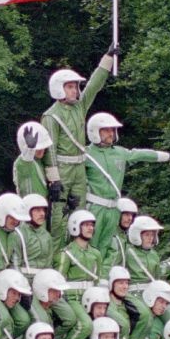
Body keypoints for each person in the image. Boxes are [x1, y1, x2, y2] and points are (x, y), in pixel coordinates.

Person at [82, 113, 170, 256]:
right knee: (90, 244)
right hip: (95, 207)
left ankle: (101, 277)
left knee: (106, 246)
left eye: (112, 130)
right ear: (94, 132)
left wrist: (166, 156)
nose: (111, 134)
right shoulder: (86, 154)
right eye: (106, 130)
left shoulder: (120, 152)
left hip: (114, 208)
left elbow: (140, 154)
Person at [40, 50, 116, 218]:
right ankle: (57, 245)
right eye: (70, 87)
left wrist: (108, 58)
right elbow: (50, 150)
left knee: (80, 212)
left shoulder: (79, 107)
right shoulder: (51, 116)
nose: (75, 90)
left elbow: (94, 86)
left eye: (75, 86)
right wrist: (54, 179)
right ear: (59, 88)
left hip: (79, 167)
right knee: (58, 214)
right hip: (62, 168)